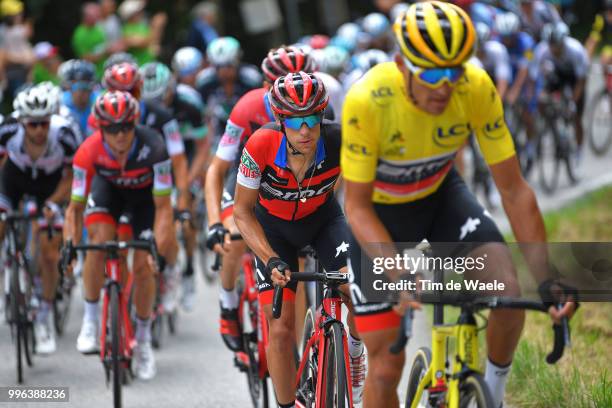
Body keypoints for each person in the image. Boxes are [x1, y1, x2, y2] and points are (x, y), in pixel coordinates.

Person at [341, 3, 577, 407]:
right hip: (381, 214)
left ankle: (494, 395)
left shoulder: (476, 86)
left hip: (440, 196)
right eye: (431, 73)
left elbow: (515, 191)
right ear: (401, 66)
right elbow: (356, 206)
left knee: (506, 290)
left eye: (453, 71)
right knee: (384, 365)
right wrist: (396, 270)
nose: (444, 86)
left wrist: (547, 276)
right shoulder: (367, 100)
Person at [233, 72, 366, 407]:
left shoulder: (340, 140)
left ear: (322, 116)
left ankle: (353, 352)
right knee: (279, 330)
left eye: (312, 119)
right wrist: (268, 258)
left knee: (360, 294)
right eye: (295, 122)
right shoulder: (260, 144)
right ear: (280, 120)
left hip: (324, 222)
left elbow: (370, 194)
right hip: (274, 231)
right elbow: (242, 213)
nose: (305, 130)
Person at [205, 45, 314, 351]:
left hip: (289, 183)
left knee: (300, 258)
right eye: (281, 83)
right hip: (246, 176)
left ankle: (300, 347)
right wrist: (214, 221)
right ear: (266, 85)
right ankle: (228, 305)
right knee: (235, 237)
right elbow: (217, 169)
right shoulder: (247, 107)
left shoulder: (318, 108)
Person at [63, 91, 177, 380]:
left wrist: (159, 250)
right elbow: (74, 210)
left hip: (144, 202)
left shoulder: (155, 147)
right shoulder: (87, 152)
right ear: (101, 128)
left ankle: (143, 341)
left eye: (126, 126)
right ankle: (90, 319)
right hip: (109, 193)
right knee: (97, 242)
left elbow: (164, 208)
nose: (121, 134)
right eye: (113, 129)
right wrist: (70, 246)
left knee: (142, 268)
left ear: (135, 123)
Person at [99, 61, 190, 312]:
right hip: (122, 183)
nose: (127, 98)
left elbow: (179, 160)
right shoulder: (103, 115)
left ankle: (170, 269)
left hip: (158, 179)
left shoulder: (162, 115)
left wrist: (181, 197)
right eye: (118, 91)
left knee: (167, 224)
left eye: (132, 92)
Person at [0, 83, 79, 354]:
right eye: (32, 125)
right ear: (22, 122)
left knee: (49, 253)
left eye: (44, 124)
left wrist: (53, 203)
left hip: (52, 186)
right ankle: (6, 268)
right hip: (14, 181)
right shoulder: (7, 131)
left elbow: (72, 178)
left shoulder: (65, 135)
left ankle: (44, 313)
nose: (39, 130)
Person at [140, 61, 208, 311]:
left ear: (171, 89)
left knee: (185, 216)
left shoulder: (189, 104)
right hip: (155, 161)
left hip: (185, 159)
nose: (156, 103)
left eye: (161, 97)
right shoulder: (142, 110)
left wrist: (188, 179)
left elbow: (203, 145)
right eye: (151, 98)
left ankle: (189, 268)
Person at [531, 22, 589, 163]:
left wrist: (572, 102)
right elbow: (535, 77)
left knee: (576, 115)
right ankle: (547, 125)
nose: (554, 49)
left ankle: (579, 149)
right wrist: (538, 96)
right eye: (551, 45)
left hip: (575, 78)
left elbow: (581, 80)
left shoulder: (576, 50)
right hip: (557, 74)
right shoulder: (542, 51)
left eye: (556, 45)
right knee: (541, 99)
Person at [196, 37, 262, 148]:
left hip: (249, 131)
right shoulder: (204, 82)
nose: (224, 72)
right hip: (218, 134)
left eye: (229, 65)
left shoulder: (252, 80)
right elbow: (204, 116)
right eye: (219, 67)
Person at [0, 0, 34, 102]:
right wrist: (22, 59)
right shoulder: (3, 31)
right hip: (11, 72)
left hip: (24, 71)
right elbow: (3, 55)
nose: (20, 16)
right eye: (16, 14)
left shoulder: (20, 28)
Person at [118, 0, 166, 66]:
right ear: (132, 14)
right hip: (137, 68)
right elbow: (143, 42)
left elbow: (154, 42)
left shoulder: (142, 26)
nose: (142, 12)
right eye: (138, 11)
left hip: (149, 64)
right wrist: (156, 27)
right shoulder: (127, 29)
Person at [58, 59, 99, 137]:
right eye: (75, 86)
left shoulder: (99, 102)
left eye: (85, 86)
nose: (80, 92)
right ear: (68, 87)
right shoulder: (60, 104)